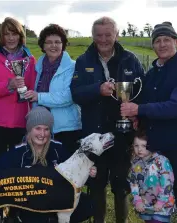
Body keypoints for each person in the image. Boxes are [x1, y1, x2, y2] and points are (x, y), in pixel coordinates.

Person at [120, 22, 177, 223]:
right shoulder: (152, 74)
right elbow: (148, 104)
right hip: (155, 145)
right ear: (153, 46)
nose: (162, 44)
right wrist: (137, 118)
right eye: (157, 40)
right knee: (154, 193)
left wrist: (139, 109)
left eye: (167, 39)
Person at [70, 16, 145, 223]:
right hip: (94, 136)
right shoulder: (83, 60)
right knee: (96, 184)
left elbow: (143, 92)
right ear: (93, 36)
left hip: (123, 134)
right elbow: (75, 93)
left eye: (108, 35)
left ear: (116, 35)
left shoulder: (131, 60)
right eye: (98, 35)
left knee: (121, 186)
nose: (103, 39)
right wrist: (97, 89)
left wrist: (138, 116)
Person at [0, 106, 96, 223]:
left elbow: (76, 173)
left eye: (46, 129)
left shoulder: (58, 148)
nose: (42, 134)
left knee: (88, 204)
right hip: (28, 202)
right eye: (38, 128)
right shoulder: (18, 152)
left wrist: (89, 172)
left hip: (56, 200)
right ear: (29, 129)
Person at [0, 17, 36, 162]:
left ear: (20, 35)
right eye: (7, 34)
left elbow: (33, 89)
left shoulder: (31, 60)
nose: (11, 38)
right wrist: (8, 86)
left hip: (21, 120)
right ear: (2, 36)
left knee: (18, 165)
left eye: (14, 33)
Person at [24, 24, 82, 155]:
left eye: (57, 42)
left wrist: (39, 97)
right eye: (49, 42)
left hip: (66, 129)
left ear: (63, 44)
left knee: (65, 171)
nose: (53, 46)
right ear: (43, 46)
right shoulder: (38, 66)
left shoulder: (73, 67)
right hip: (41, 129)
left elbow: (68, 96)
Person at [128, 130, 175, 223]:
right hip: (146, 206)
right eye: (136, 146)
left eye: (143, 146)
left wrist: (161, 201)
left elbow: (167, 183)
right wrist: (137, 200)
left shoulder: (161, 161)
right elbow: (133, 183)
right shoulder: (135, 163)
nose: (139, 149)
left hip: (163, 207)